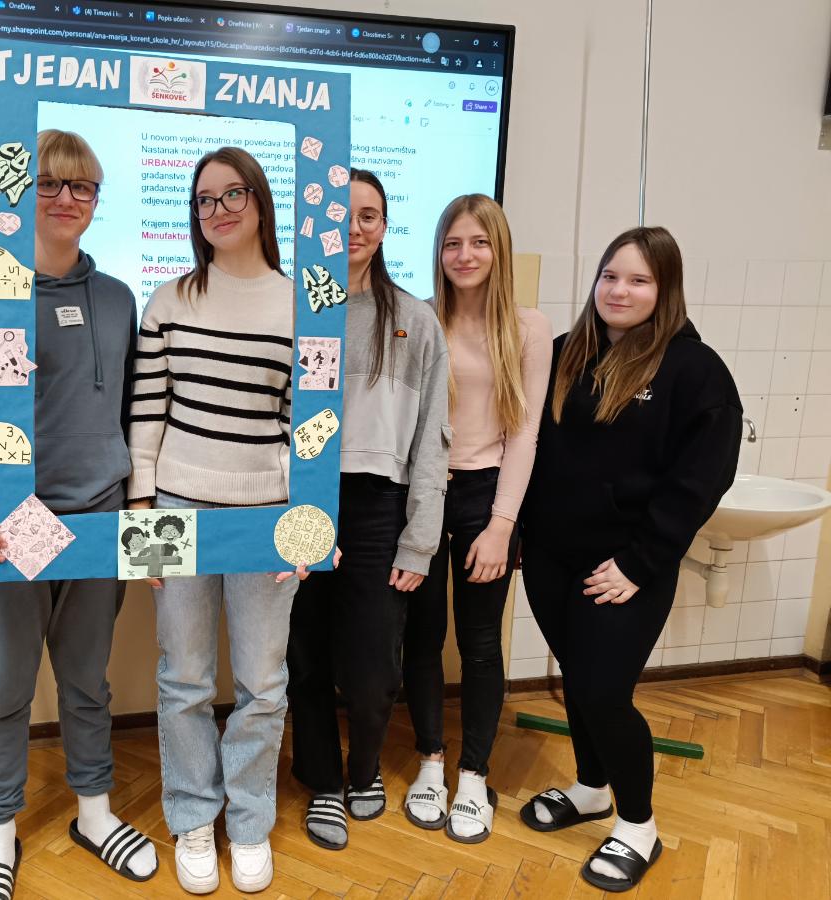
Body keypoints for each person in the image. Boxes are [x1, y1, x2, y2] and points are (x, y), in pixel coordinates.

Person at [0, 130, 157, 898]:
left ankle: (95, 813)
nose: (65, 199)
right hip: (13, 524)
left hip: (98, 521)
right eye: (48, 185)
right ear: (19, 199)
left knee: (88, 682)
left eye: (81, 187)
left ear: (96, 200)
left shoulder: (118, 300)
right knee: (5, 689)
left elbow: (131, 418)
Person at [519, 226, 740, 891]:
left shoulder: (694, 370)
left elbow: (702, 479)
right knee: (578, 683)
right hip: (551, 556)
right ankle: (591, 788)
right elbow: (531, 447)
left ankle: (638, 824)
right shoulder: (566, 351)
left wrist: (641, 563)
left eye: (639, 280)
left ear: (665, 289)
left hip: (624, 567)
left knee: (603, 692)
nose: (619, 291)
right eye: (610, 276)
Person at [127, 146, 304, 894]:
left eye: (233, 194)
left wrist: (305, 528)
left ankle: (250, 821)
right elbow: (147, 414)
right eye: (204, 199)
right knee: (185, 678)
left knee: (263, 682)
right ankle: (194, 815)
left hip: (267, 513)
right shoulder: (169, 300)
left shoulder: (302, 305)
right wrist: (141, 517)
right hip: (174, 509)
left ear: (260, 201)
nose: (219, 209)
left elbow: (308, 428)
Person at [286, 169, 450, 851]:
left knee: (374, 663)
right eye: (340, 213)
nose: (353, 228)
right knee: (304, 654)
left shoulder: (415, 319)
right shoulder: (292, 308)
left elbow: (432, 437)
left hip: (379, 503)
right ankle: (324, 781)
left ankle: (363, 770)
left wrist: (420, 539)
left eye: (368, 215)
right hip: (300, 497)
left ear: (384, 227)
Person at [402, 194, 552, 843]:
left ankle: (473, 776)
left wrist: (501, 525)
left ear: (499, 250)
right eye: (453, 243)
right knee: (422, 636)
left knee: (482, 643)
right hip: (423, 491)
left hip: (488, 496)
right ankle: (430, 761)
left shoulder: (529, 328)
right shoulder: (419, 319)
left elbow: (525, 434)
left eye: (479, 242)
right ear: (438, 251)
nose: (465, 255)